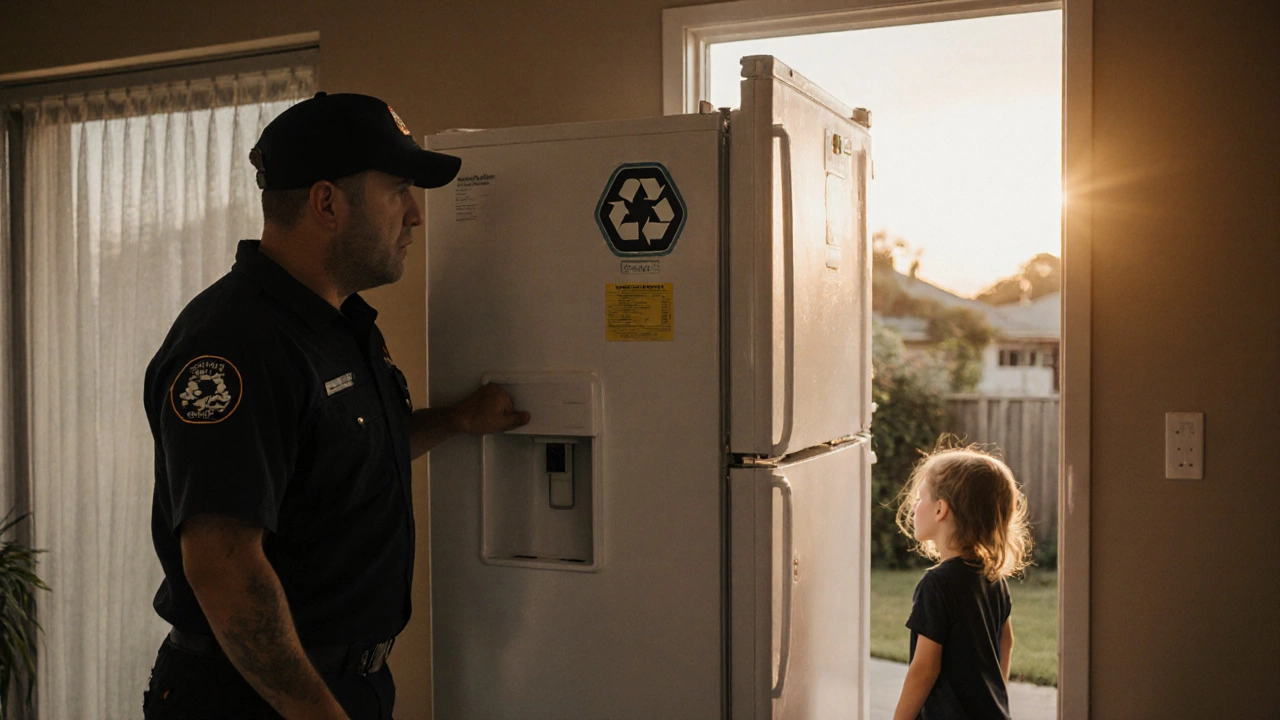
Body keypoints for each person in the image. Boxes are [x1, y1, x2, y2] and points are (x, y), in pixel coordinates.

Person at [141, 92, 529, 720]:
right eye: (397, 191)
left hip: (345, 685)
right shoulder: (236, 342)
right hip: (258, 699)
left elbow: (341, 457)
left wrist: (456, 420)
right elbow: (221, 562)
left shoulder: (337, 324)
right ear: (327, 203)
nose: (415, 216)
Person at [890, 445, 1033, 720]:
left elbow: (924, 669)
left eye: (920, 499)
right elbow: (1007, 642)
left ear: (940, 510)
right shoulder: (992, 577)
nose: (914, 506)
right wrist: (993, 697)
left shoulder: (937, 583)